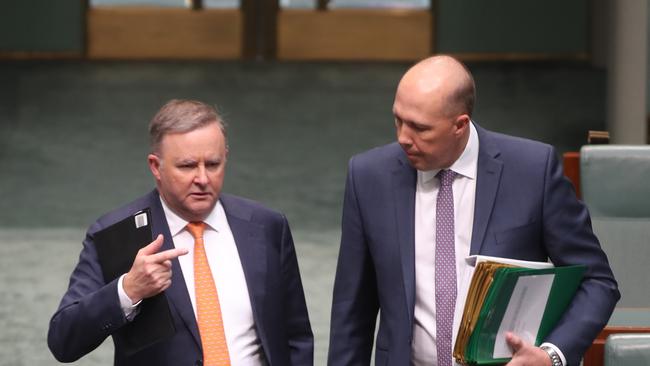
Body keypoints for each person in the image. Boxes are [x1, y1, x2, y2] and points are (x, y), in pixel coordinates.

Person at [327, 56, 619, 366]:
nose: (402, 138)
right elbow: (352, 310)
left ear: (459, 125)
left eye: (419, 128)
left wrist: (551, 356)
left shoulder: (533, 171)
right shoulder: (369, 176)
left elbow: (597, 282)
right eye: (398, 120)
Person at [48, 99, 313, 366]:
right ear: (156, 166)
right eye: (187, 166)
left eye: (212, 164)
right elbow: (63, 340)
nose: (202, 178)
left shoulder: (266, 226)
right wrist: (129, 289)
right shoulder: (116, 234)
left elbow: (296, 336)